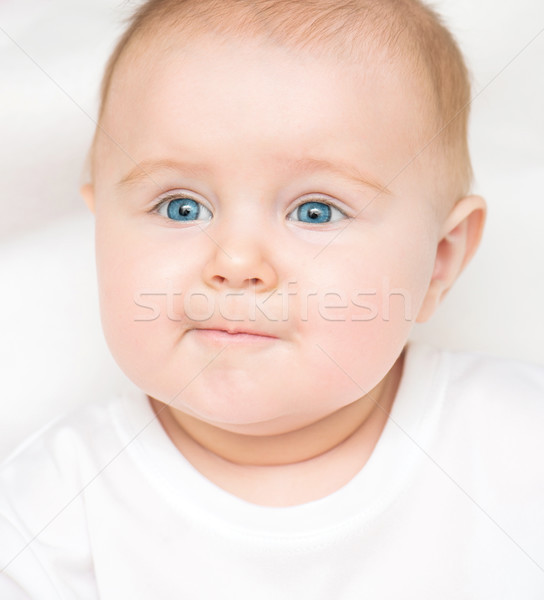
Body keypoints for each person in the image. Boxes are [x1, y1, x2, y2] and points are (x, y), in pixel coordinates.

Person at [1, 0, 543, 597]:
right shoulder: (48, 510)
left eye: (316, 211)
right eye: (181, 207)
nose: (235, 263)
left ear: (438, 260)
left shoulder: (515, 446)